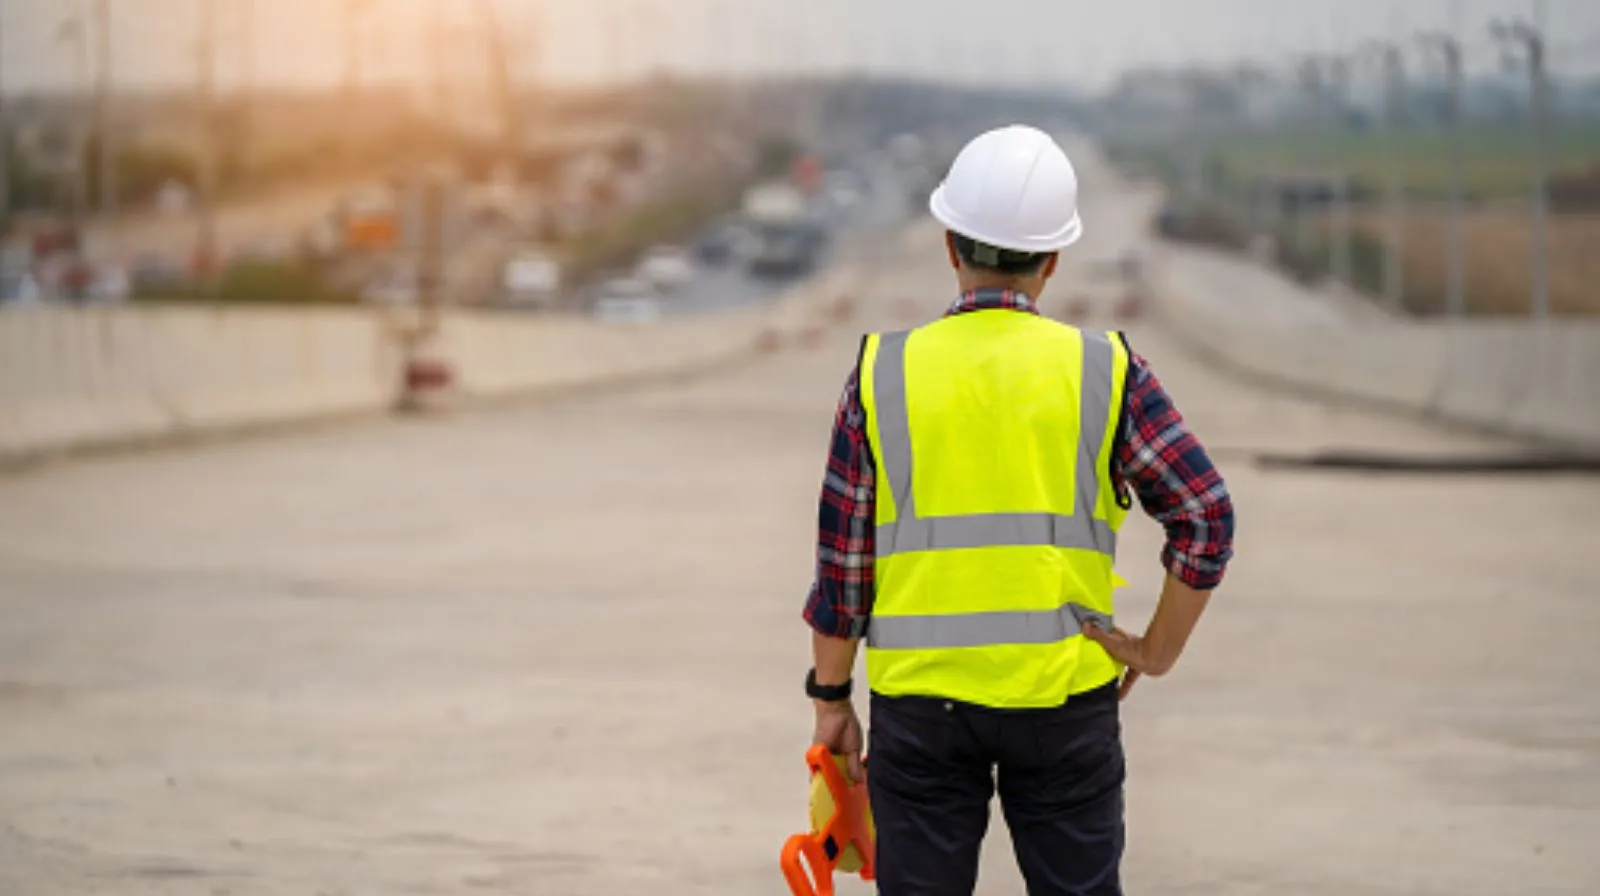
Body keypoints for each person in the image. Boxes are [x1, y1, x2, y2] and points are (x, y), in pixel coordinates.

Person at [799, 125, 1236, 896]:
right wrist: (1155, 651)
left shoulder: (881, 373)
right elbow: (1205, 515)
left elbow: (844, 571)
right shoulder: (1106, 371)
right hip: (1064, 700)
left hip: (920, 707)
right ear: (1054, 258)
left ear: (949, 245)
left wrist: (832, 702)